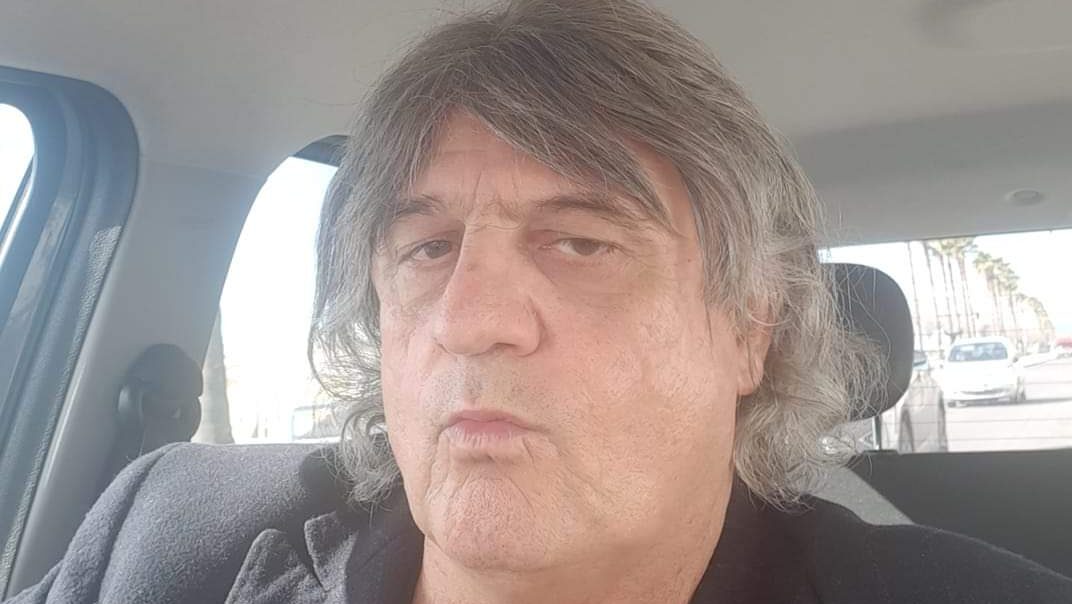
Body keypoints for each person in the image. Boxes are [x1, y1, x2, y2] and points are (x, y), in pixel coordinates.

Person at [7, 1, 1072, 603]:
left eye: (582, 242)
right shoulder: (162, 541)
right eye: (427, 247)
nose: (468, 318)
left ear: (751, 323)